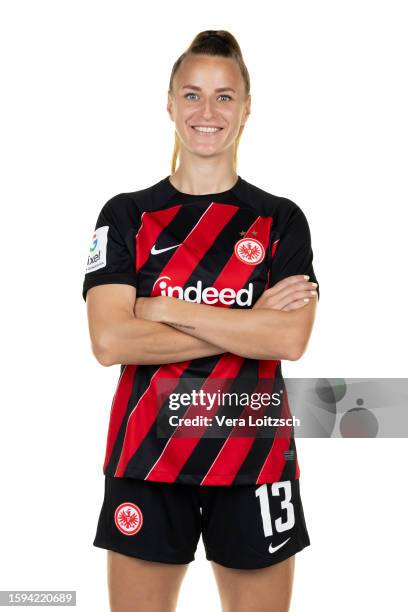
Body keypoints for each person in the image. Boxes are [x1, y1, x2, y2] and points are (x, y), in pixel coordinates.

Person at [83, 29, 319, 612]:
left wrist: (163, 308)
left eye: (223, 96)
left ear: (245, 109)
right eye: (192, 95)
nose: (207, 111)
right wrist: (245, 321)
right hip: (147, 458)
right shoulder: (127, 215)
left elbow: (288, 338)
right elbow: (111, 340)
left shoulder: (281, 220)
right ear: (169, 104)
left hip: (256, 461)